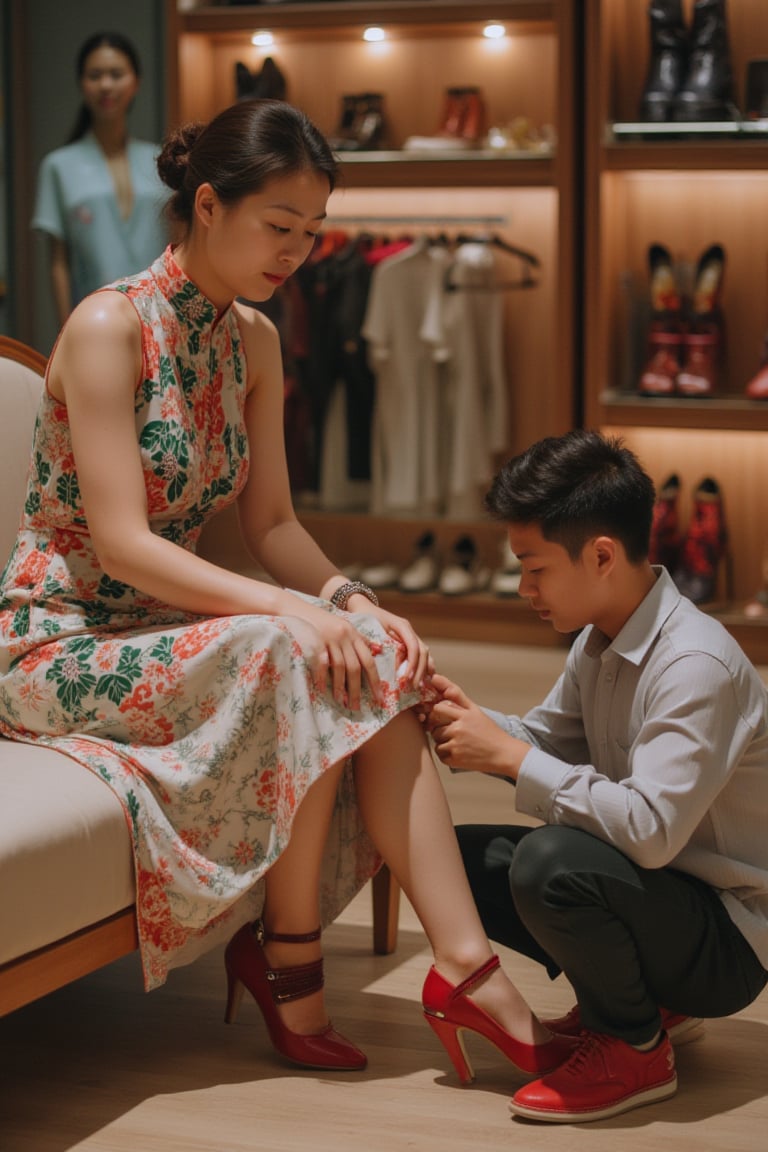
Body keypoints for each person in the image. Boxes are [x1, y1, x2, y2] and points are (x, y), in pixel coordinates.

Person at [0, 98, 575, 1081]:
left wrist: (353, 599)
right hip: (62, 642)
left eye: (312, 234)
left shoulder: (253, 341)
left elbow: (270, 524)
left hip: (163, 629)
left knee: (369, 648)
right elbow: (126, 545)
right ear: (210, 204)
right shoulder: (107, 326)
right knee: (288, 644)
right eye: (279, 228)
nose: (297, 253)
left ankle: (463, 964)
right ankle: (291, 953)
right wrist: (286, 607)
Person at [423, 429, 768, 1122]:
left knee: (551, 864)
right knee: (459, 861)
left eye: (534, 567)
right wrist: (459, 710)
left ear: (602, 555)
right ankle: (648, 1004)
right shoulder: (601, 636)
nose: (524, 588)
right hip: (670, 901)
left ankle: (634, 1045)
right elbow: (549, 741)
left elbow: (649, 834)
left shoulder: (695, 664)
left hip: (728, 943)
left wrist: (509, 756)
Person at [31, 31, 169, 327]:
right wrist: (67, 329)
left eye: (116, 74)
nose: (106, 84)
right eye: (95, 75)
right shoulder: (58, 166)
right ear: (82, 83)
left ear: (136, 82)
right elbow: (59, 262)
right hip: (93, 321)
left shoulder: (160, 161)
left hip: (160, 316)